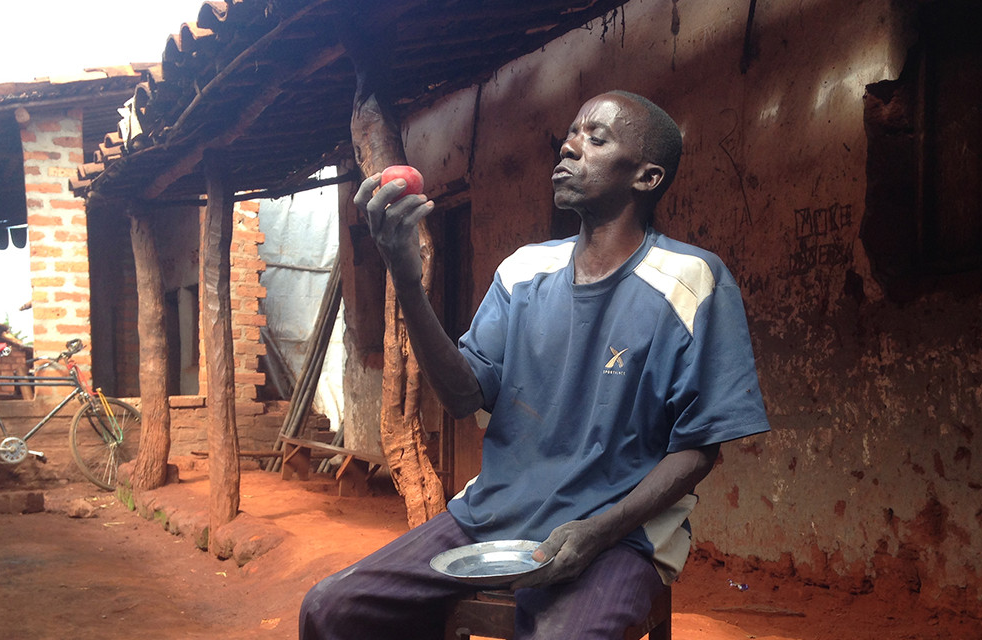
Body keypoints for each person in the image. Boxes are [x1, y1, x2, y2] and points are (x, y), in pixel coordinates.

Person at [299, 90, 770, 639]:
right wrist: (406, 278)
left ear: (647, 177)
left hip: (621, 534)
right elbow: (460, 396)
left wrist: (598, 531)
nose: (570, 147)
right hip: (492, 517)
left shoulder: (691, 281)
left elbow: (697, 450)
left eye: (596, 139)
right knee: (330, 608)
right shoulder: (524, 271)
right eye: (571, 134)